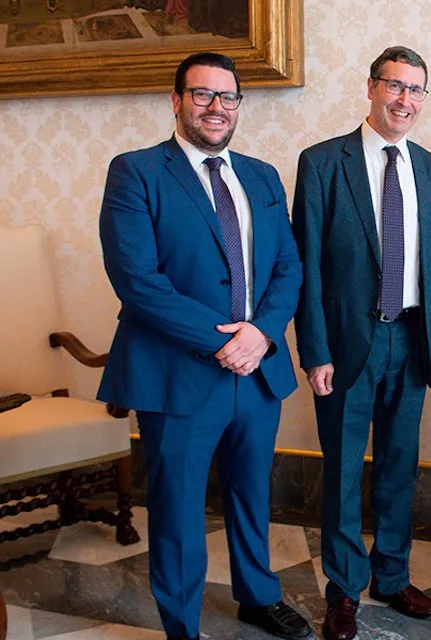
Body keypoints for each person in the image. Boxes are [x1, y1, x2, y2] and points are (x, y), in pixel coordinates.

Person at [97, 52, 311, 640]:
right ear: (176, 101)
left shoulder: (262, 176)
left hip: (257, 369)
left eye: (228, 97)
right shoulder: (136, 171)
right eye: (202, 95)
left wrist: (261, 334)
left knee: (251, 493)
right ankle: (182, 625)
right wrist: (224, 342)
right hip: (177, 373)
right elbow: (137, 279)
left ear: (239, 105)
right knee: (178, 508)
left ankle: (258, 597)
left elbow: (288, 267)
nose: (217, 107)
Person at [291, 46, 431, 640]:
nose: (404, 100)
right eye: (394, 86)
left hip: (411, 340)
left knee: (399, 467)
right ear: (370, 87)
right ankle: (343, 589)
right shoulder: (322, 163)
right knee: (341, 470)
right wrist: (315, 350)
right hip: (345, 346)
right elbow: (305, 264)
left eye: (416, 89)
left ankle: (391, 576)